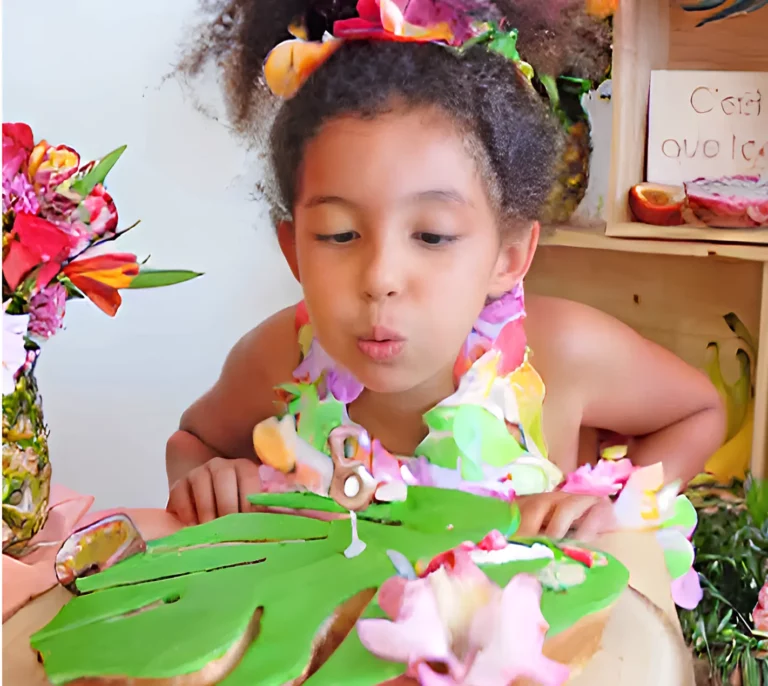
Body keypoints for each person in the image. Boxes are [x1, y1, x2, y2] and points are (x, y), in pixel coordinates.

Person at [165, 0, 725, 537]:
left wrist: (613, 508)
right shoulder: (275, 359)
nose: (381, 277)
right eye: (339, 234)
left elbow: (699, 411)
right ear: (294, 253)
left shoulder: (567, 355)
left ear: (508, 257)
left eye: (431, 235)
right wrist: (209, 479)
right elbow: (192, 442)